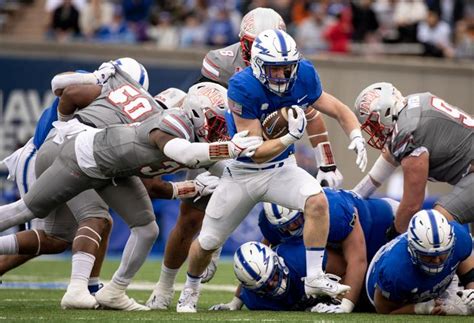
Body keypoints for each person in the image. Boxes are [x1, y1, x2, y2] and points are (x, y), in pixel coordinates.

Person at [0, 68, 261, 310]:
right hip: (84, 158)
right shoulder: (172, 123)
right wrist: (223, 154)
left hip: (114, 172)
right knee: (28, 210)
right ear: (194, 112)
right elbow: (184, 153)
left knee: (147, 228)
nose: (220, 131)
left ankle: (114, 290)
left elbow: (231, 173)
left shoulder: (195, 134)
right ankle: (80, 287)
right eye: (216, 124)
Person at [176, 29, 368, 313]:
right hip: (243, 172)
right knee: (207, 241)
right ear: (256, 65)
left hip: (282, 168)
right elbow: (253, 152)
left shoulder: (303, 74)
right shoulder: (242, 86)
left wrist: (355, 135)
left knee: (316, 201)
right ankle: (190, 289)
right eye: (274, 69)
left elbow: (338, 109)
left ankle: (314, 277)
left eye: (286, 68)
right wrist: (290, 138)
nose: (281, 75)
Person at [210, 189, 398, 313]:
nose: (292, 230)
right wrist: (237, 300)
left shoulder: (332, 211)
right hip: (342, 245)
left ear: (304, 209)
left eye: (296, 222)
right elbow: (263, 252)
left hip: (383, 226)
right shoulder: (271, 222)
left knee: (382, 291)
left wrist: (344, 305)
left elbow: (357, 261)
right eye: (286, 227)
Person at [352, 82, 473, 240]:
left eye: (374, 123)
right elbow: (388, 160)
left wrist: (394, 235)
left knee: (435, 224)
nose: (375, 131)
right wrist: (354, 196)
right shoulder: (410, 107)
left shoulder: (408, 133)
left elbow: (412, 205)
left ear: (386, 112)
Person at [366, 209, 474, 315]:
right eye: (428, 255)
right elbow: (383, 309)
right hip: (380, 294)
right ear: (413, 250)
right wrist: (421, 308)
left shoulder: (459, 238)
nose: (436, 261)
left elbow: (468, 268)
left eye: (442, 254)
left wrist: (471, 294)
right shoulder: (395, 269)